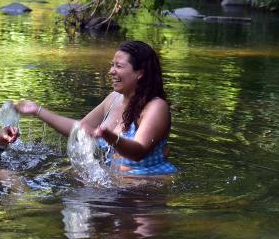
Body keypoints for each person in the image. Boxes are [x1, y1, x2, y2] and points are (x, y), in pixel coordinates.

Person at [16, 40, 177, 176]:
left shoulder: (156, 107)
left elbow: (138, 151)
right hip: (113, 184)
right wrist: (37, 110)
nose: (111, 71)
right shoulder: (113, 99)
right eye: (111, 65)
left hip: (146, 192)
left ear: (140, 73)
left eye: (118, 66)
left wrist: (110, 137)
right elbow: (80, 130)